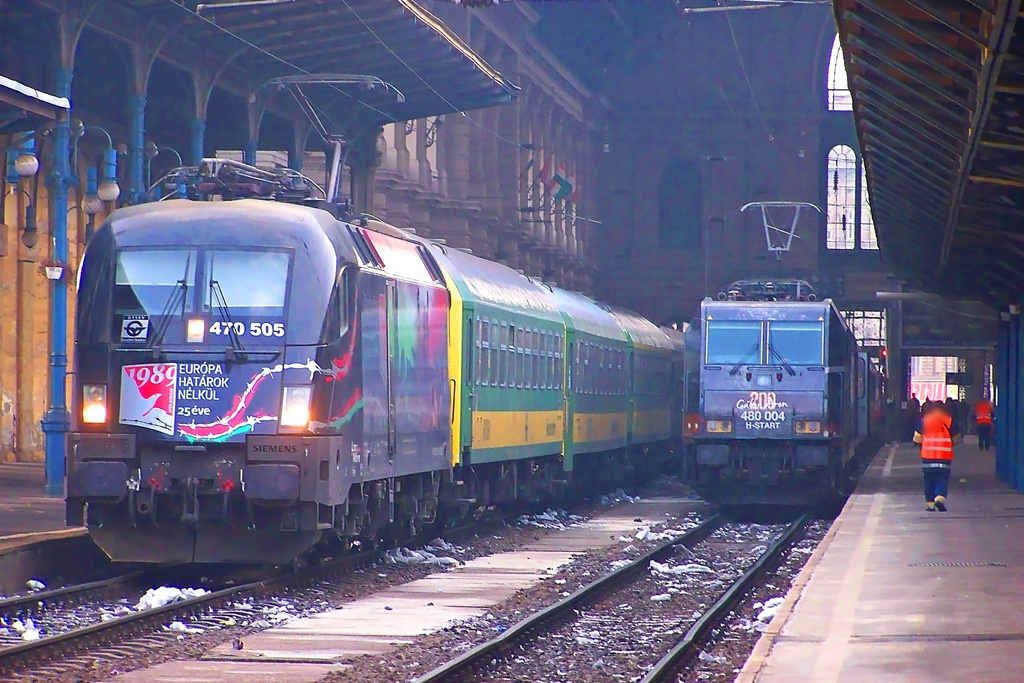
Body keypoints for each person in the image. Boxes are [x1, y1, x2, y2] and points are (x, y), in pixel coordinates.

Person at [914, 401, 960, 512]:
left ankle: (930, 504)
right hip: (944, 456)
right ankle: (940, 497)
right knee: (942, 478)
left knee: (929, 480)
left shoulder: (925, 420)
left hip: (928, 457)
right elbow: (957, 438)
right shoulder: (949, 420)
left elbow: (917, 438)